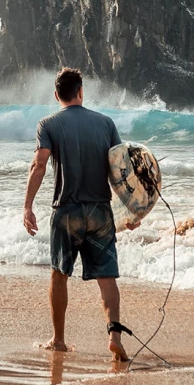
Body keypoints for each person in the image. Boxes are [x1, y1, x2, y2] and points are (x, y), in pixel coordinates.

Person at [23, 66, 130, 361]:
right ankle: (115, 336)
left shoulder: (48, 124)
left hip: (66, 211)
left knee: (59, 276)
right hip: (100, 211)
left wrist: (28, 206)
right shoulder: (106, 123)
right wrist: (133, 212)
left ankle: (58, 340)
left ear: (57, 95)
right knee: (107, 279)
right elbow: (120, 171)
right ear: (81, 92)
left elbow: (40, 164)